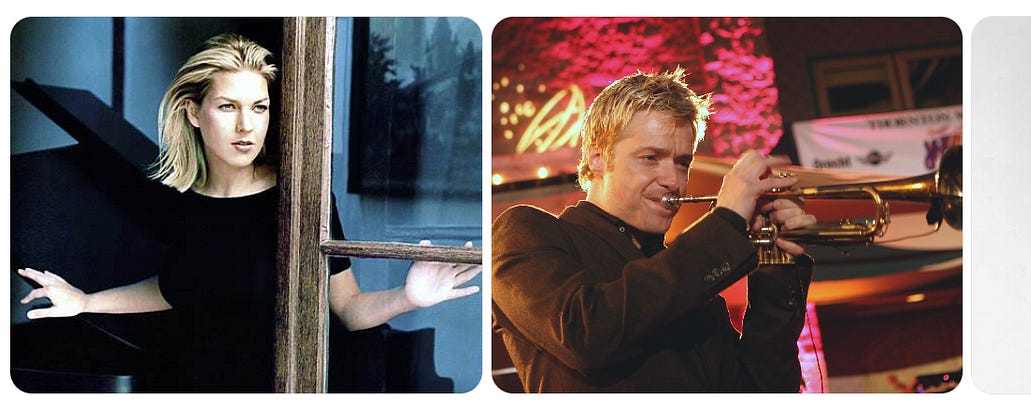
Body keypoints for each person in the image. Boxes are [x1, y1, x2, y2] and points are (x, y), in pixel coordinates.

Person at [15, 33, 481, 392]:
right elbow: (180, 286)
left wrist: (409, 297)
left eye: (259, 107)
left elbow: (347, 309)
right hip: (191, 385)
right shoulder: (181, 198)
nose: (247, 126)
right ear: (193, 113)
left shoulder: (299, 199)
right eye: (227, 106)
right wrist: (86, 301)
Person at [491, 68, 816, 392]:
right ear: (597, 159)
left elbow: (761, 391)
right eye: (650, 158)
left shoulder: (690, 279)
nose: (673, 181)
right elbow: (585, 335)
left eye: (682, 162)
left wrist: (775, 268)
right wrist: (725, 223)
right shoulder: (526, 231)